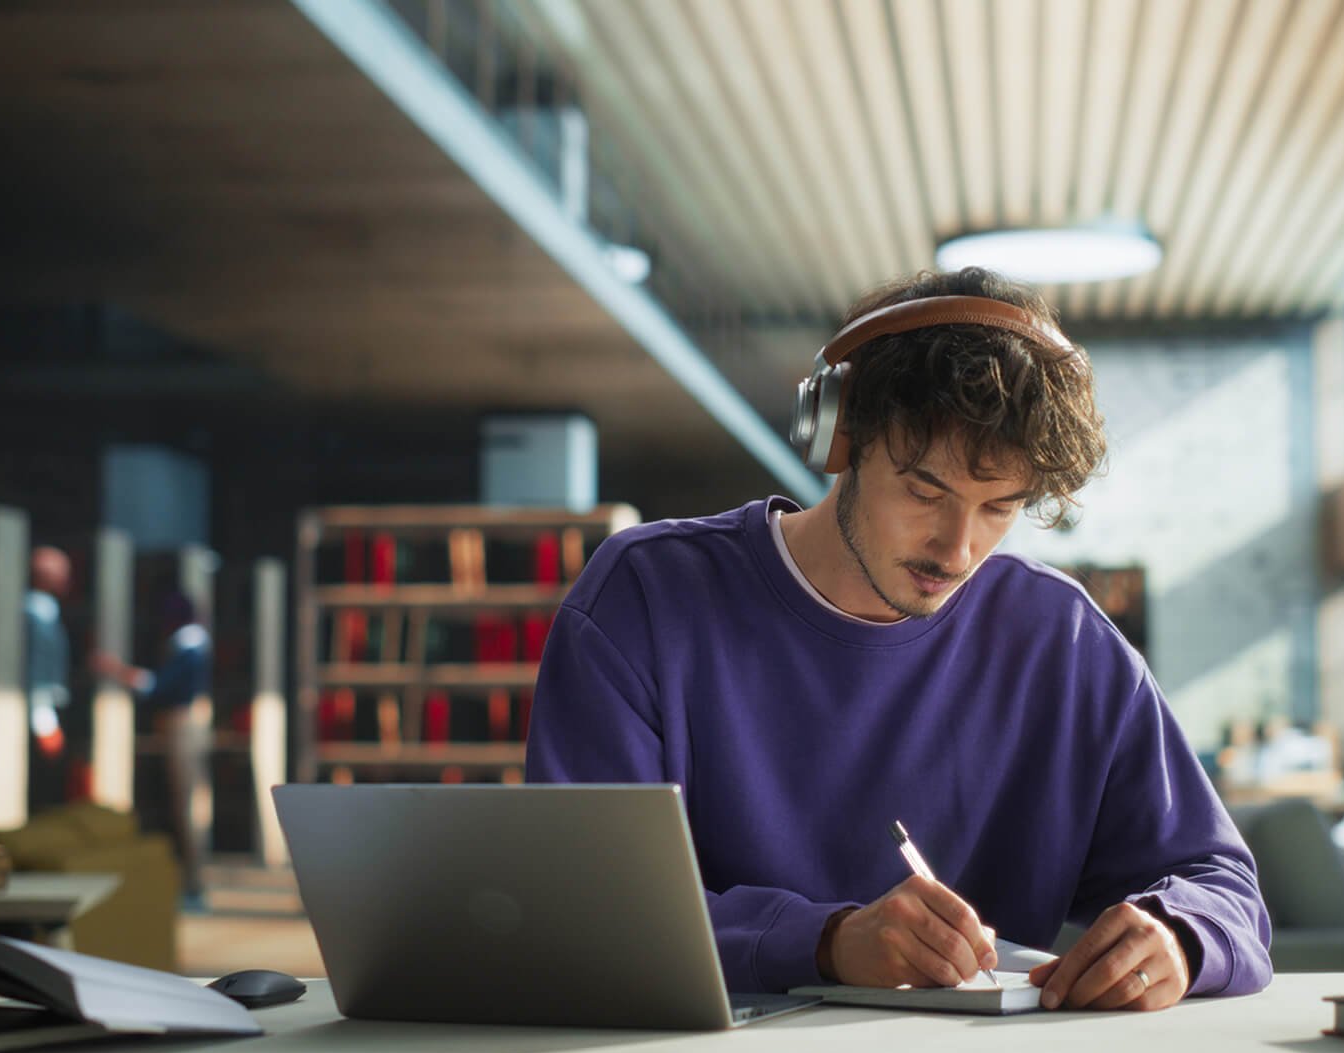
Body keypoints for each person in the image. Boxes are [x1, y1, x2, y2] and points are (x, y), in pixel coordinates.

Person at [525, 267, 1271, 1010]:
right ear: (840, 435)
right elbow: (580, 910)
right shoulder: (646, 598)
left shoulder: (1064, 645)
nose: (957, 550)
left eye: (998, 508)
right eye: (924, 490)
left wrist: (1178, 938)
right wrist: (824, 942)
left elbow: (1224, 888)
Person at [94, 591, 213, 910]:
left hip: (184, 726)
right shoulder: (192, 645)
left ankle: (194, 885)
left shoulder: (190, 647)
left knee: (188, 806)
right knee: (185, 804)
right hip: (182, 725)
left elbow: (157, 687)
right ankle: (192, 883)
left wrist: (116, 670)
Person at [24, 546, 73, 761]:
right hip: (37, 706)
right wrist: (45, 721)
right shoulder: (38, 612)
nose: (68, 579)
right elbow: (39, 666)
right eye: (63, 573)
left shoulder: (47, 610)